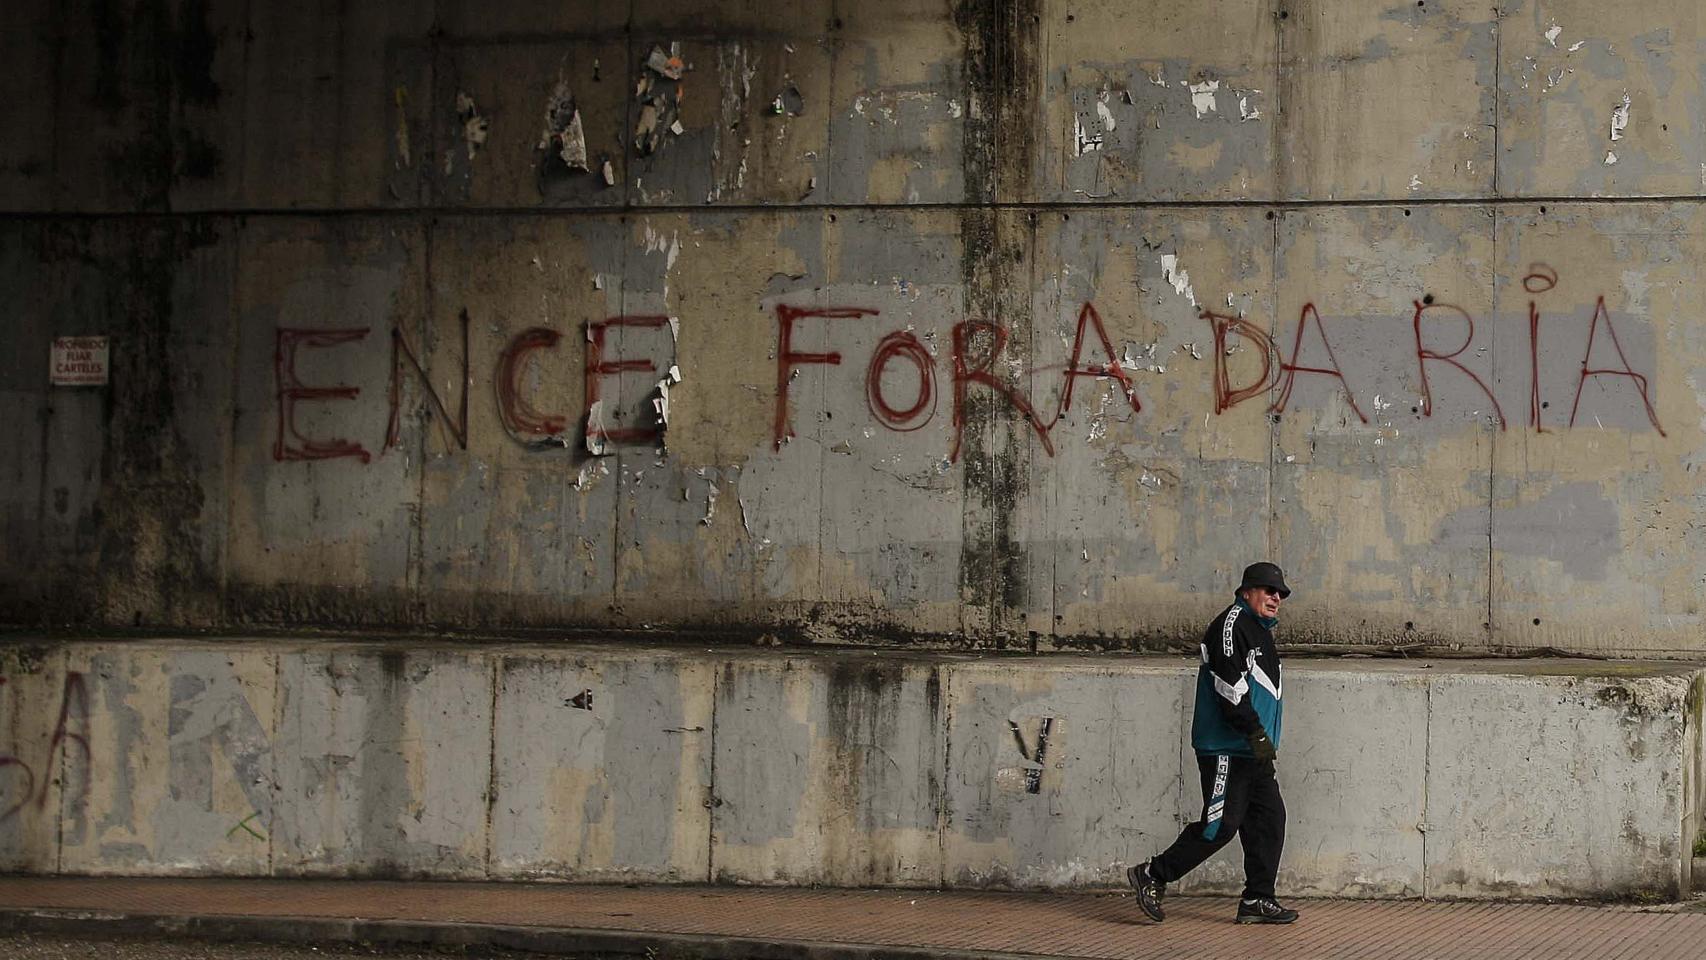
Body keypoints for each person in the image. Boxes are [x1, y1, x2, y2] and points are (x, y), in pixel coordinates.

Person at [1126, 561, 1298, 924]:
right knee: (1219, 824)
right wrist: (1255, 732)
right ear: (1247, 590)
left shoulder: (1261, 630)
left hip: (1255, 750)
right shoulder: (1231, 626)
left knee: (1269, 820)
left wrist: (1263, 740)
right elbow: (1229, 688)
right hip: (1228, 747)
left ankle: (1257, 899)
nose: (1276, 598)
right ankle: (1153, 874)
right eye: (1269, 590)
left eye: (1280, 593)